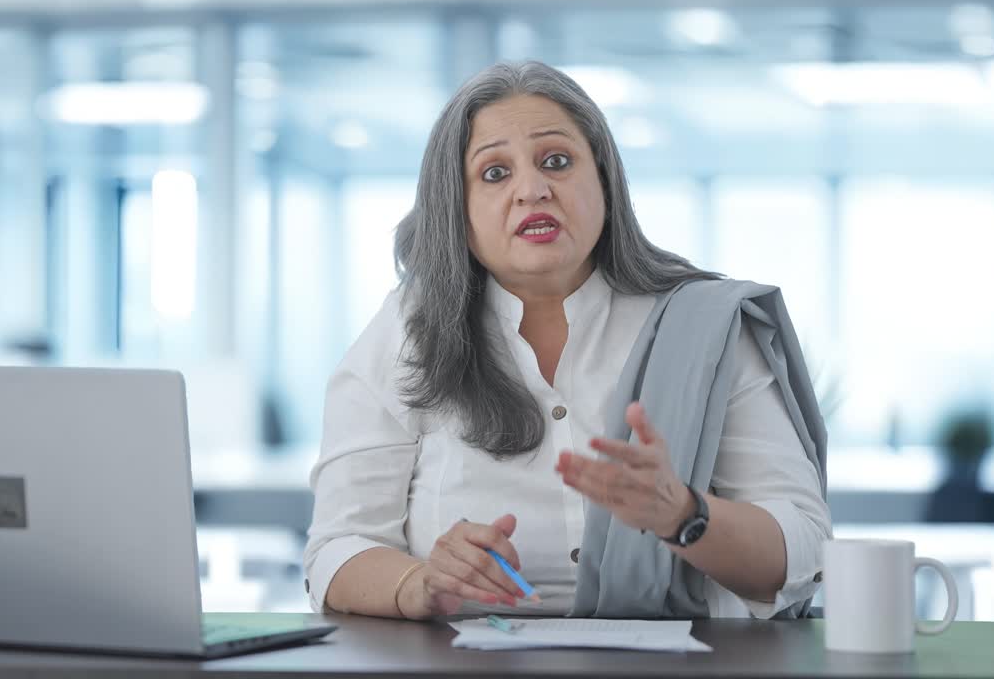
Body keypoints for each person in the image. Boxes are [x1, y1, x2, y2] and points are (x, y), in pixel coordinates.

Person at [303, 61, 831, 621]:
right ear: (455, 210)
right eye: (494, 173)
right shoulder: (404, 333)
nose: (532, 190)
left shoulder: (707, 324)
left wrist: (685, 514)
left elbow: (801, 546)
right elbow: (336, 549)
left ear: (603, 180)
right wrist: (419, 583)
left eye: (557, 161)